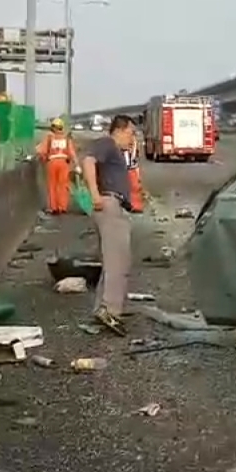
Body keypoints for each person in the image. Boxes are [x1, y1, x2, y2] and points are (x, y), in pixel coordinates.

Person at [81, 114, 137, 335]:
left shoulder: (117, 151)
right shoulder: (107, 143)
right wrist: (95, 194)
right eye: (131, 133)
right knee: (118, 262)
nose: (132, 139)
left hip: (115, 205)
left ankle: (104, 308)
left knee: (113, 260)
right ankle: (110, 311)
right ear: (120, 130)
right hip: (109, 203)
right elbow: (87, 161)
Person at [37, 117, 77, 214]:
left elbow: (41, 151)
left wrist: (44, 158)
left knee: (52, 185)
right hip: (63, 163)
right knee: (63, 185)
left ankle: (53, 207)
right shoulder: (66, 138)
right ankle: (62, 207)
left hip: (52, 162)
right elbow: (71, 152)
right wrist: (76, 164)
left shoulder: (50, 137)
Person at [124, 131, 145, 213]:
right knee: (134, 187)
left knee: (134, 187)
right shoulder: (133, 141)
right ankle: (134, 205)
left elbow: (133, 154)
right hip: (131, 167)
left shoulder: (129, 141)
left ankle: (133, 205)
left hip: (130, 167)